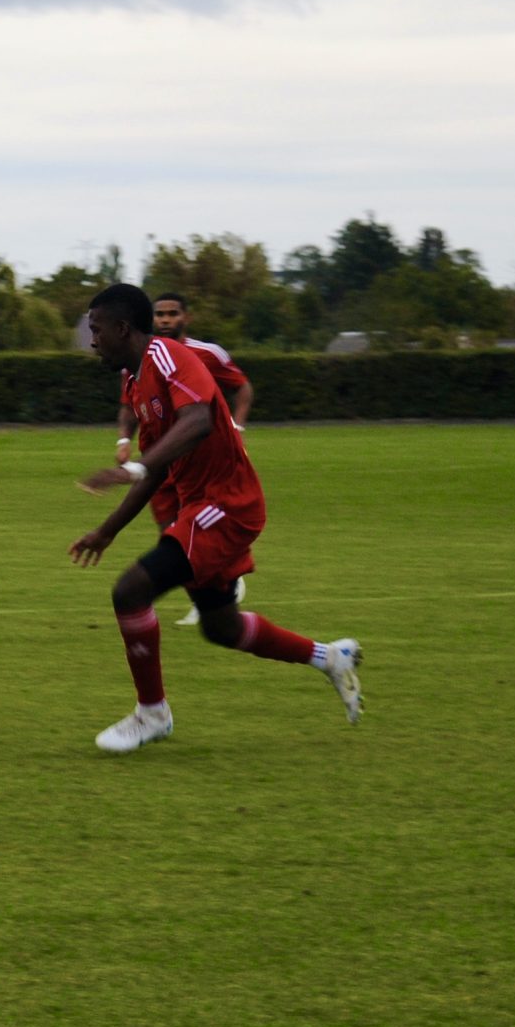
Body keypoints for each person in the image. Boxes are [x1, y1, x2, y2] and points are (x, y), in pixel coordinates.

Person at [70, 284, 361, 754]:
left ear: (123, 329)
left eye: (97, 329)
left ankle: (152, 713)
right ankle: (330, 657)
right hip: (201, 507)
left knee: (130, 591)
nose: (92, 341)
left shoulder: (168, 356)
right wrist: (108, 530)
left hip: (227, 504)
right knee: (222, 627)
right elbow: (157, 468)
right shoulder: (136, 382)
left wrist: (132, 469)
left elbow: (198, 421)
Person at [114, 291, 255, 627]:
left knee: (190, 531)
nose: (165, 320)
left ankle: (220, 588)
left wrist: (237, 426)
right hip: (163, 460)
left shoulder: (206, 353)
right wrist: (124, 439)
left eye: (172, 314)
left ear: (186, 317)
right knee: (170, 531)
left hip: (201, 460)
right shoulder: (136, 362)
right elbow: (130, 406)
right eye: (160, 314)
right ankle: (207, 595)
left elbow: (242, 388)